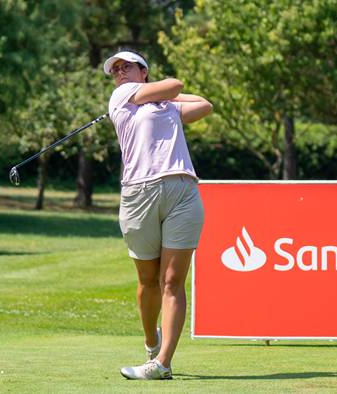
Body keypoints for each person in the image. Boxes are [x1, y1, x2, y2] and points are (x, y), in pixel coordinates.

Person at [103, 49, 213, 380]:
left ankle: (162, 363)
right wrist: (170, 93)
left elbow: (205, 105)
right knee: (147, 281)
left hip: (183, 191)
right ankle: (152, 341)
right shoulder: (121, 96)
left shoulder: (167, 107)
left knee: (172, 281)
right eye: (115, 69)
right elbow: (176, 83)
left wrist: (169, 99)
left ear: (144, 72)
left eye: (127, 66)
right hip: (139, 193)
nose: (119, 72)